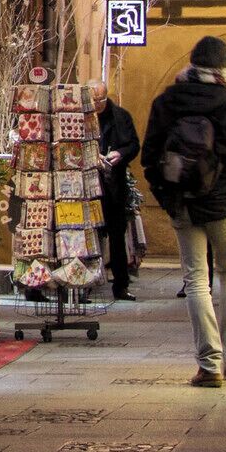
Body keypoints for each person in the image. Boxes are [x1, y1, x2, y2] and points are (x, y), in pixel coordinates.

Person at [140, 37, 226, 388]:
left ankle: (209, 365)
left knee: (196, 280)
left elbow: (150, 156)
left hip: (183, 201)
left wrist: (167, 197)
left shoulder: (168, 101)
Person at [92, 82, 143, 300]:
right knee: (87, 235)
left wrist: (120, 154)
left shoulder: (120, 117)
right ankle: (84, 283)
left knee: (117, 236)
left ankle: (120, 285)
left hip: (114, 185)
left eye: (99, 100)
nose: (96, 105)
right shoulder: (81, 116)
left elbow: (133, 144)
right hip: (89, 186)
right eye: (92, 100)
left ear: (105, 97)